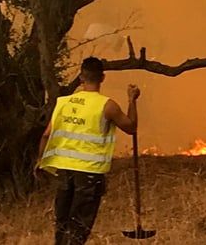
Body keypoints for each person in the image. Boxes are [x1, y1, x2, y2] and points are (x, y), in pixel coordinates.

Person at [37, 57, 139, 245]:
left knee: (62, 224)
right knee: (79, 228)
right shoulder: (106, 105)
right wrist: (131, 100)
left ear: (81, 77)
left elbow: (46, 135)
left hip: (64, 170)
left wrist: (41, 163)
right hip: (89, 173)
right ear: (103, 77)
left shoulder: (63, 103)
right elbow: (131, 127)